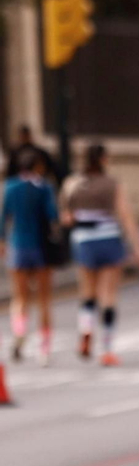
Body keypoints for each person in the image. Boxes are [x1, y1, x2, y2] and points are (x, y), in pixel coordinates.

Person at [61, 144, 139, 365]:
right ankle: (107, 349)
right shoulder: (112, 184)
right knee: (108, 295)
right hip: (108, 238)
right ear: (103, 159)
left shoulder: (72, 184)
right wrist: (138, 246)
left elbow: (66, 218)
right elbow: (126, 216)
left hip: (84, 241)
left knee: (87, 293)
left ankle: (86, 329)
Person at [1, 149, 61, 364]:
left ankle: (20, 333)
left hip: (18, 246)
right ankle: (44, 349)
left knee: (20, 297)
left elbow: (3, 217)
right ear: (38, 166)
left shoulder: (9, 186)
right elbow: (53, 215)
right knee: (44, 300)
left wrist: (2, 241)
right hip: (41, 248)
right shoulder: (44, 187)